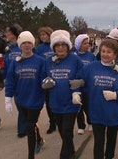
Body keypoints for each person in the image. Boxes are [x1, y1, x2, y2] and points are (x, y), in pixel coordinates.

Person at [72, 38, 118, 159]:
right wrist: (75, 93)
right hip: (96, 112)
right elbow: (77, 80)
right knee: (98, 143)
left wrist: (117, 95)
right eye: (103, 51)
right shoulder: (90, 68)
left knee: (111, 142)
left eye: (109, 52)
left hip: (114, 113)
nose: (105, 54)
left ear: (115, 54)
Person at [42, 30, 84, 159]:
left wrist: (78, 86)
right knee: (62, 131)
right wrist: (45, 82)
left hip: (71, 102)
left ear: (67, 46)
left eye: (63, 45)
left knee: (67, 130)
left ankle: (64, 155)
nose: (60, 47)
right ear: (54, 47)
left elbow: (82, 76)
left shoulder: (75, 59)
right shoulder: (49, 61)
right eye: (57, 45)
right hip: (55, 103)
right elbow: (43, 77)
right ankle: (71, 151)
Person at [5, 31, 45, 159]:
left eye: (29, 43)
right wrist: (8, 99)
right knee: (31, 124)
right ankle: (39, 139)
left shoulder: (40, 61)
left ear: (33, 44)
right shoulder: (16, 62)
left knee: (29, 126)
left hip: (35, 100)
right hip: (21, 100)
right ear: (20, 45)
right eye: (24, 43)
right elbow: (11, 80)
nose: (27, 45)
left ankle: (30, 156)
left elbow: (43, 79)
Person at [2, 24, 27, 138]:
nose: (6, 35)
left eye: (8, 32)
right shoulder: (9, 49)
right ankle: (26, 123)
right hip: (13, 80)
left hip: (23, 79)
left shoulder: (22, 46)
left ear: (13, 34)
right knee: (19, 104)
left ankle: (22, 128)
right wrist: (2, 77)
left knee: (23, 103)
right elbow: (6, 64)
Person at [72, 34, 97, 134]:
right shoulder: (74, 56)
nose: (87, 45)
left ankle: (90, 122)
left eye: (88, 43)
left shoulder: (91, 56)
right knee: (79, 107)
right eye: (84, 43)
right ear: (79, 44)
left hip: (88, 87)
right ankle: (81, 125)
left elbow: (95, 69)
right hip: (78, 86)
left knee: (88, 106)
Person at [35, 26, 57, 134]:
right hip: (45, 76)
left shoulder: (55, 46)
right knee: (48, 102)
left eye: (44, 34)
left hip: (57, 75)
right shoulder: (40, 48)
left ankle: (58, 119)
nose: (42, 37)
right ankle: (52, 122)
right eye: (41, 35)